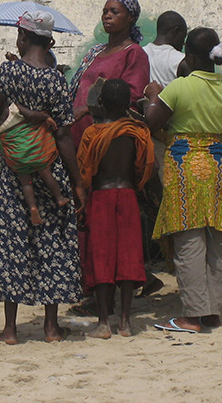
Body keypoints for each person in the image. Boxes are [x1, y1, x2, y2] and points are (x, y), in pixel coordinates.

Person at [144, 28, 222, 333]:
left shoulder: (179, 88)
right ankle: (212, 311)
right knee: (216, 236)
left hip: (184, 166)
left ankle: (192, 316)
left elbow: (151, 122)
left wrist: (153, 97)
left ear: (190, 56)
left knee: (189, 238)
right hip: (217, 163)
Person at [0, 11, 83, 344]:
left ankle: (10, 329)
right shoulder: (57, 81)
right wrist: (77, 181)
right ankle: (51, 327)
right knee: (52, 242)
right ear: (49, 41)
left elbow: (3, 110)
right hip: (49, 166)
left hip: (14, 171)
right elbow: (65, 134)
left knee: (13, 243)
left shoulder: (6, 71)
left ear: (22, 37)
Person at [77, 79, 155, 339]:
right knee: (128, 257)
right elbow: (144, 167)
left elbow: (85, 172)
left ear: (100, 103)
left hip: (101, 197)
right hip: (128, 197)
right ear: (127, 105)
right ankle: (125, 322)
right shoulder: (137, 132)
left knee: (102, 257)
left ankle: (102, 323)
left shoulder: (92, 134)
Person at [0, 85, 68, 224]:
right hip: (34, 149)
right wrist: (45, 116)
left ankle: (32, 208)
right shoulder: (15, 109)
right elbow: (32, 115)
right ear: (4, 100)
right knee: (45, 172)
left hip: (18, 158)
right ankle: (59, 197)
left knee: (26, 182)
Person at [70, 0, 150, 148]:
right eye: (105, 12)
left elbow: (132, 96)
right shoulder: (95, 52)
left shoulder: (133, 53)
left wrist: (87, 109)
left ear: (130, 18)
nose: (107, 16)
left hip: (106, 135)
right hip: (77, 129)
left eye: (114, 12)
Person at [144, 11, 189, 86]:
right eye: (183, 37)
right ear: (176, 31)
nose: (183, 43)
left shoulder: (140, 52)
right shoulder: (180, 60)